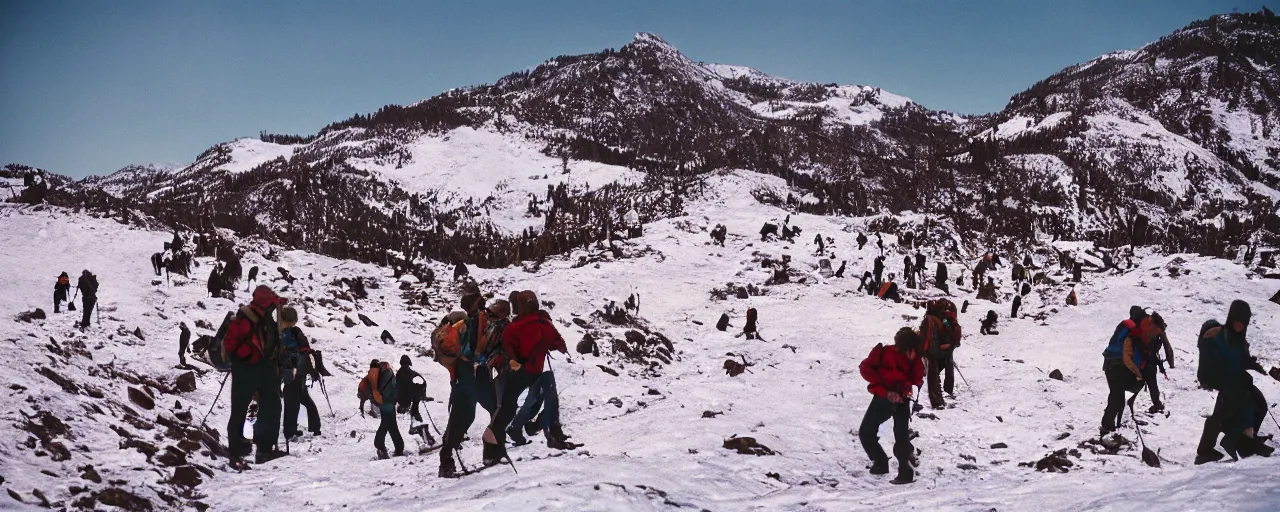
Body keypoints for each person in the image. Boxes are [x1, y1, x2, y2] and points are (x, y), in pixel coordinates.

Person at [484, 290, 567, 467]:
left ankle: (492, 450)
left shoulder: (514, 328)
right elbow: (558, 343)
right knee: (546, 394)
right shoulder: (544, 323)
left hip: (517, 373)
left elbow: (509, 349)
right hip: (534, 372)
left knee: (507, 409)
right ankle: (551, 431)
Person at [1195, 301, 1274, 463]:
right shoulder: (1217, 338)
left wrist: (1253, 365)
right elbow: (1209, 365)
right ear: (1231, 319)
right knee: (1227, 413)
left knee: (1260, 405)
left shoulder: (1239, 339)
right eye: (1237, 321)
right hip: (1222, 381)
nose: (1239, 325)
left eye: (1243, 322)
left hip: (1236, 382)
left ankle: (1245, 440)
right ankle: (1206, 451)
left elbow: (1240, 358)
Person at [222, 286, 287, 468]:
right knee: (242, 410)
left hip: (259, 367)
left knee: (269, 404)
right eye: (271, 305)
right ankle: (237, 453)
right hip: (247, 369)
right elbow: (231, 344)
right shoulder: (245, 319)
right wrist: (247, 356)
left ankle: (262, 449)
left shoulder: (265, 316)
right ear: (264, 304)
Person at [439, 293, 497, 477]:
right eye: (480, 302)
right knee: (473, 414)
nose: (484, 304)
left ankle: (448, 460)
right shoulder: (466, 325)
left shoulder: (475, 322)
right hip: (470, 372)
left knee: (476, 413)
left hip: (470, 373)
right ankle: (449, 459)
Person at [858, 327, 925, 485]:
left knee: (900, 435)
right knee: (866, 432)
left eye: (913, 350)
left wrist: (915, 361)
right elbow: (865, 369)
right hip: (883, 397)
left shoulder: (915, 358)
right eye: (909, 350)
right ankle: (882, 462)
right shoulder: (884, 352)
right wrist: (885, 391)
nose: (910, 353)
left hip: (902, 399)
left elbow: (917, 379)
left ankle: (904, 472)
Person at [1100, 306, 1147, 435]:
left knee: (1116, 396)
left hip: (1109, 363)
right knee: (1117, 397)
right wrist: (1138, 372)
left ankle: (1110, 425)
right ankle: (1107, 426)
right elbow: (1130, 354)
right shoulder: (1132, 331)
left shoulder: (1124, 326)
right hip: (1118, 365)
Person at [279, 307, 321, 440]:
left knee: (292, 400)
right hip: (297, 371)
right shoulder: (294, 332)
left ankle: (290, 432)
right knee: (302, 398)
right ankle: (315, 427)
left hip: (294, 371)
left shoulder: (290, 333)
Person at [919, 300, 961, 408]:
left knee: (933, 373)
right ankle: (946, 392)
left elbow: (929, 339)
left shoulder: (931, 320)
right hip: (946, 348)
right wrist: (950, 345)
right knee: (946, 368)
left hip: (936, 350)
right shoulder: (947, 319)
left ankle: (937, 401)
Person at [367, 360, 403, 459]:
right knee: (386, 425)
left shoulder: (380, 375)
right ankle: (379, 444)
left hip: (382, 403)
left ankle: (399, 447)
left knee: (391, 426)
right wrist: (396, 399)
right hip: (389, 403)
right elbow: (393, 388)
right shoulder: (388, 374)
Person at [1140, 313, 1174, 414]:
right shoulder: (1159, 331)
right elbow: (1167, 347)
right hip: (1150, 360)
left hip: (1137, 359)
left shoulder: (1142, 326)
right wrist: (1171, 363)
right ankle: (1157, 404)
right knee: (1152, 383)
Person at [395, 355, 423, 422]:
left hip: (408, 396)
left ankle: (411, 409)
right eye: (404, 364)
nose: (405, 366)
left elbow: (422, 381)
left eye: (406, 364)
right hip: (404, 396)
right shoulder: (400, 374)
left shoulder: (410, 373)